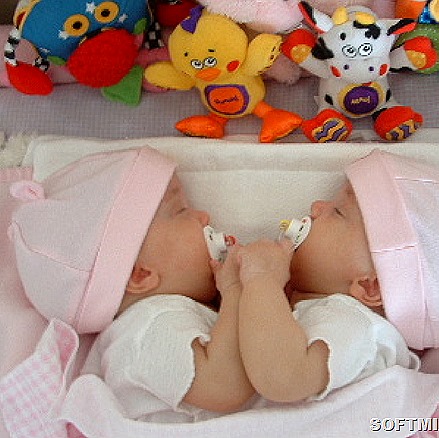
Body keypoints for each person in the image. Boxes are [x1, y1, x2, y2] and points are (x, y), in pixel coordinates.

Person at [237, 149, 439, 403]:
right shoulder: (324, 314)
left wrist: (261, 280)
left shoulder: (358, 327)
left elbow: (286, 378)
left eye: (338, 212)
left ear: (369, 286)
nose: (316, 206)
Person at [8, 146, 255, 423]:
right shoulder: (146, 328)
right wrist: (240, 290)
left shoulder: (160, 319)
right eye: (181, 211)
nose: (203, 216)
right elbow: (224, 386)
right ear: (141, 275)